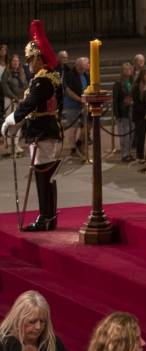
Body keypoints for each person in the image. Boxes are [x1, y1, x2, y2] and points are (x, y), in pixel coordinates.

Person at [2, 20, 63, 232]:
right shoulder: (51, 77)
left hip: (42, 134)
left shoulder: (42, 81)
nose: (28, 64)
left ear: (38, 58)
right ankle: (50, 216)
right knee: (48, 176)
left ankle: (46, 218)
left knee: (43, 176)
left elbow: (29, 104)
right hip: (47, 131)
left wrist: (11, 120)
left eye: (30, 60)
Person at [0, 290, 66, 351]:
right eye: (32, 322)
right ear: (17, 320)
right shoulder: (3, 344)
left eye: (42, 321)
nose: (38, 327)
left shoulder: (54, 342)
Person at [62, 56, 89, 157]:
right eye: (81, 68)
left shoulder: (85, 75)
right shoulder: (69, 75)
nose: (82, 70)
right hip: (72, 105)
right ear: (76, 66)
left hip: (83, 104)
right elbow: (68, 91)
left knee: (86, 126)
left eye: (84, 68)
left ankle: (79, 144)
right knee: (73, 127)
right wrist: (80, 99)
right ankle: (73, 148)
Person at [113, 62, 135, 162]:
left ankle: (129, 152)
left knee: (132, 133)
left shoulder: (132, 81)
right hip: (123, 113)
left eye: (129, 69)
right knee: (125, 134)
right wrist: (117, 115)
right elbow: (115, 100)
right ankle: (124, 154)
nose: (128, 71)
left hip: (132, 111)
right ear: (122, 71)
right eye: (126, 69)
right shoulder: (118, 83)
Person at [131, 69, 146, 163]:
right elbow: (135, 102)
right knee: (141, 136)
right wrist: (144, 111)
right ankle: (140, 156)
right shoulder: (136, 87)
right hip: (139, 116)